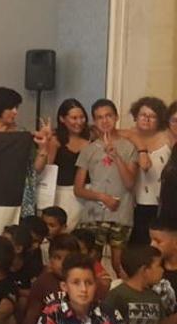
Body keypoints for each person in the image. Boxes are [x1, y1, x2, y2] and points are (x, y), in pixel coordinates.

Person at [73, 99, 139, 280]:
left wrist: (115, 155)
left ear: (116, 117)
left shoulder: (129, 147)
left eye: (108, 116)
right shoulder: (89, 149)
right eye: (99, 117)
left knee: (119, 264)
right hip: (94, 214)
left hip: (121, 213)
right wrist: (101, 197)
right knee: (91, 261)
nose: (105, 121)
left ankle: (123, 299)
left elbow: (130, 183)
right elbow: (78, 189)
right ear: (94, 121)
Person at [0, 87, 50, 217]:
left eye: (16, 108)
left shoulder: (21, 135)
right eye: (11, 108)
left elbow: (35, 169)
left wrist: (43, 147)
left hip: (17, 197)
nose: (15, 112)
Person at [103, 245, 169, 324]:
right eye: (159, 266)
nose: (162, 270)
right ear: (144, 270)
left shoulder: (154, 297)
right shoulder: (117, 296)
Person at [15, 233, 81, 324]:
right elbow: (32, 315)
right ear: (50, 260)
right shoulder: (42, 282)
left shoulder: (82, 281)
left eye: (68, 258)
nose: (63, 263)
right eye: (57, 258)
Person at [123, 97, 172, 246]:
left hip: (163, 202)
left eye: (152, 116)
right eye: (143, 115)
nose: (146, 119)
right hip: (134, 202)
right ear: (136, 116)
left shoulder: (168, 137)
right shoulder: (126, 135)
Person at [47, 99, 91, 231]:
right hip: (63, 193)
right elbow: (48, 168)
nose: (79, 122)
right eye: (74, 118)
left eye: (82, 117)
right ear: (62, 119)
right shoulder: (55, 140)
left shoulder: (91, 138)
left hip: (87, 192)